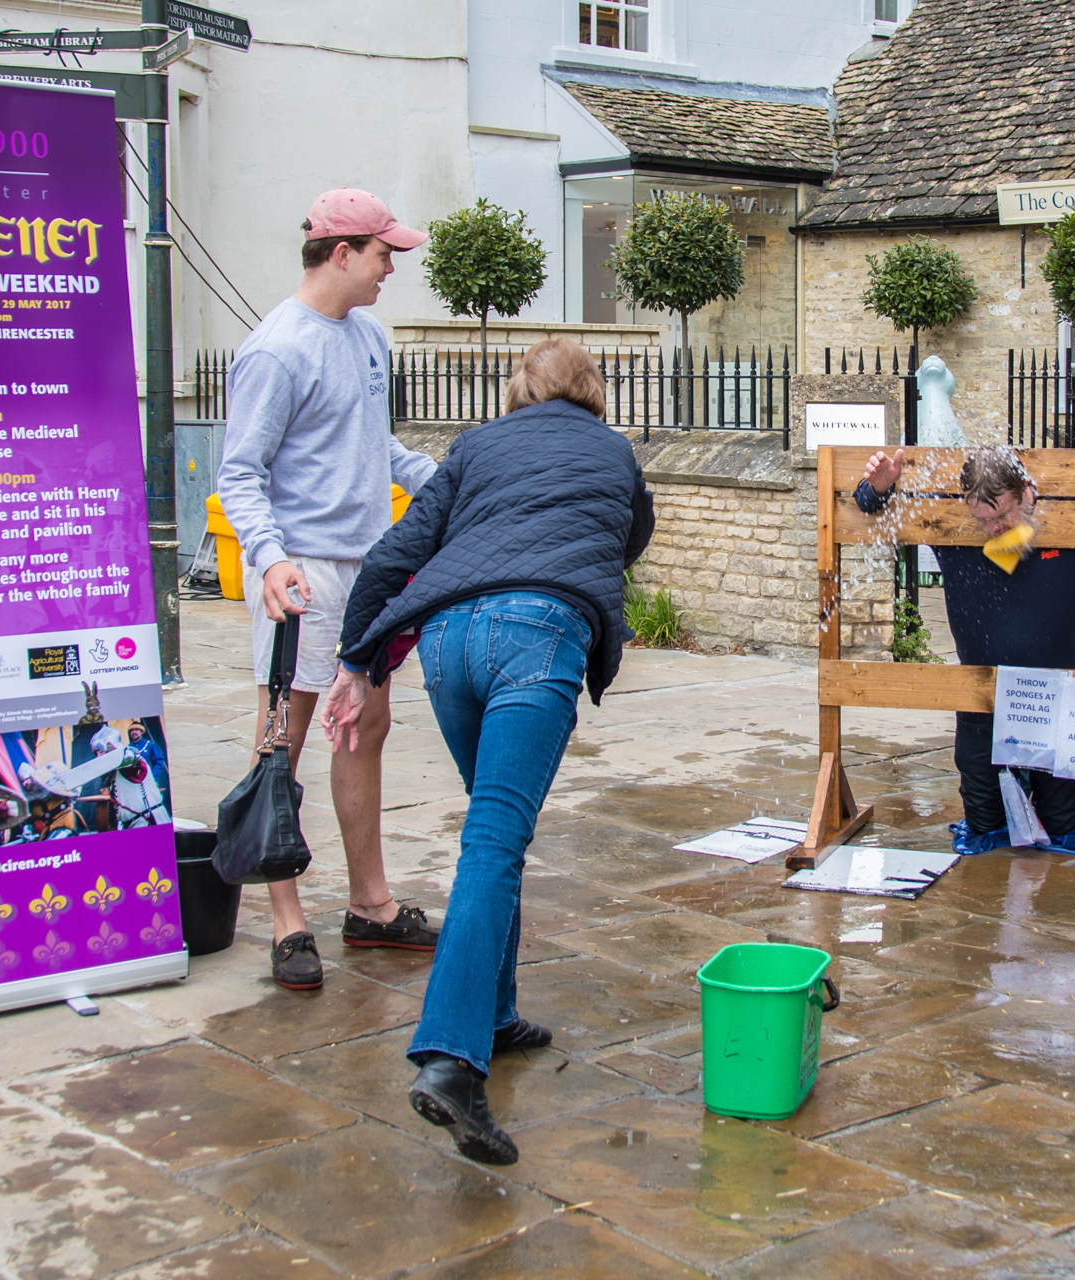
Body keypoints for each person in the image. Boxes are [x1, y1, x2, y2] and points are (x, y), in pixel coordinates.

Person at [322, 340, 655, 1165]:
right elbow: (632, 536)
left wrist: (355, 661)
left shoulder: (474, 446)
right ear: (591, 390)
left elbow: (396, 554)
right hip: (536, 635)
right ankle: (451, 1060)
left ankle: (496, 1015)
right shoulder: (614, 451)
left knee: (493, 835)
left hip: (448, 642)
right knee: (494, 843)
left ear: (520, 389)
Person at [216, 188, 442, 991]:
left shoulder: (369, 336)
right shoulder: (276, 350)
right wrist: (268, 558)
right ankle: (286, 921)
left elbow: (376, 447)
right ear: (342, 253)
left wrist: (452, 482)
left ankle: (370, 906)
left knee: (363, 730)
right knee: (282, 739)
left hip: (368, 569)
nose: (392, 268)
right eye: (385, 254)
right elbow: (239, 473)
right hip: (303, 570)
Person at [856, 445, 1075, 853]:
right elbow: (869, 511)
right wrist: (877, 488)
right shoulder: (948, 522)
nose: (992, 528)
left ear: (1025, 492)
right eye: (981, 519)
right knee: (988, 827)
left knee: (1062, 829)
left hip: (1056, 697)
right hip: (982, 697)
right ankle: (1050, 777)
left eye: (1002, 515)